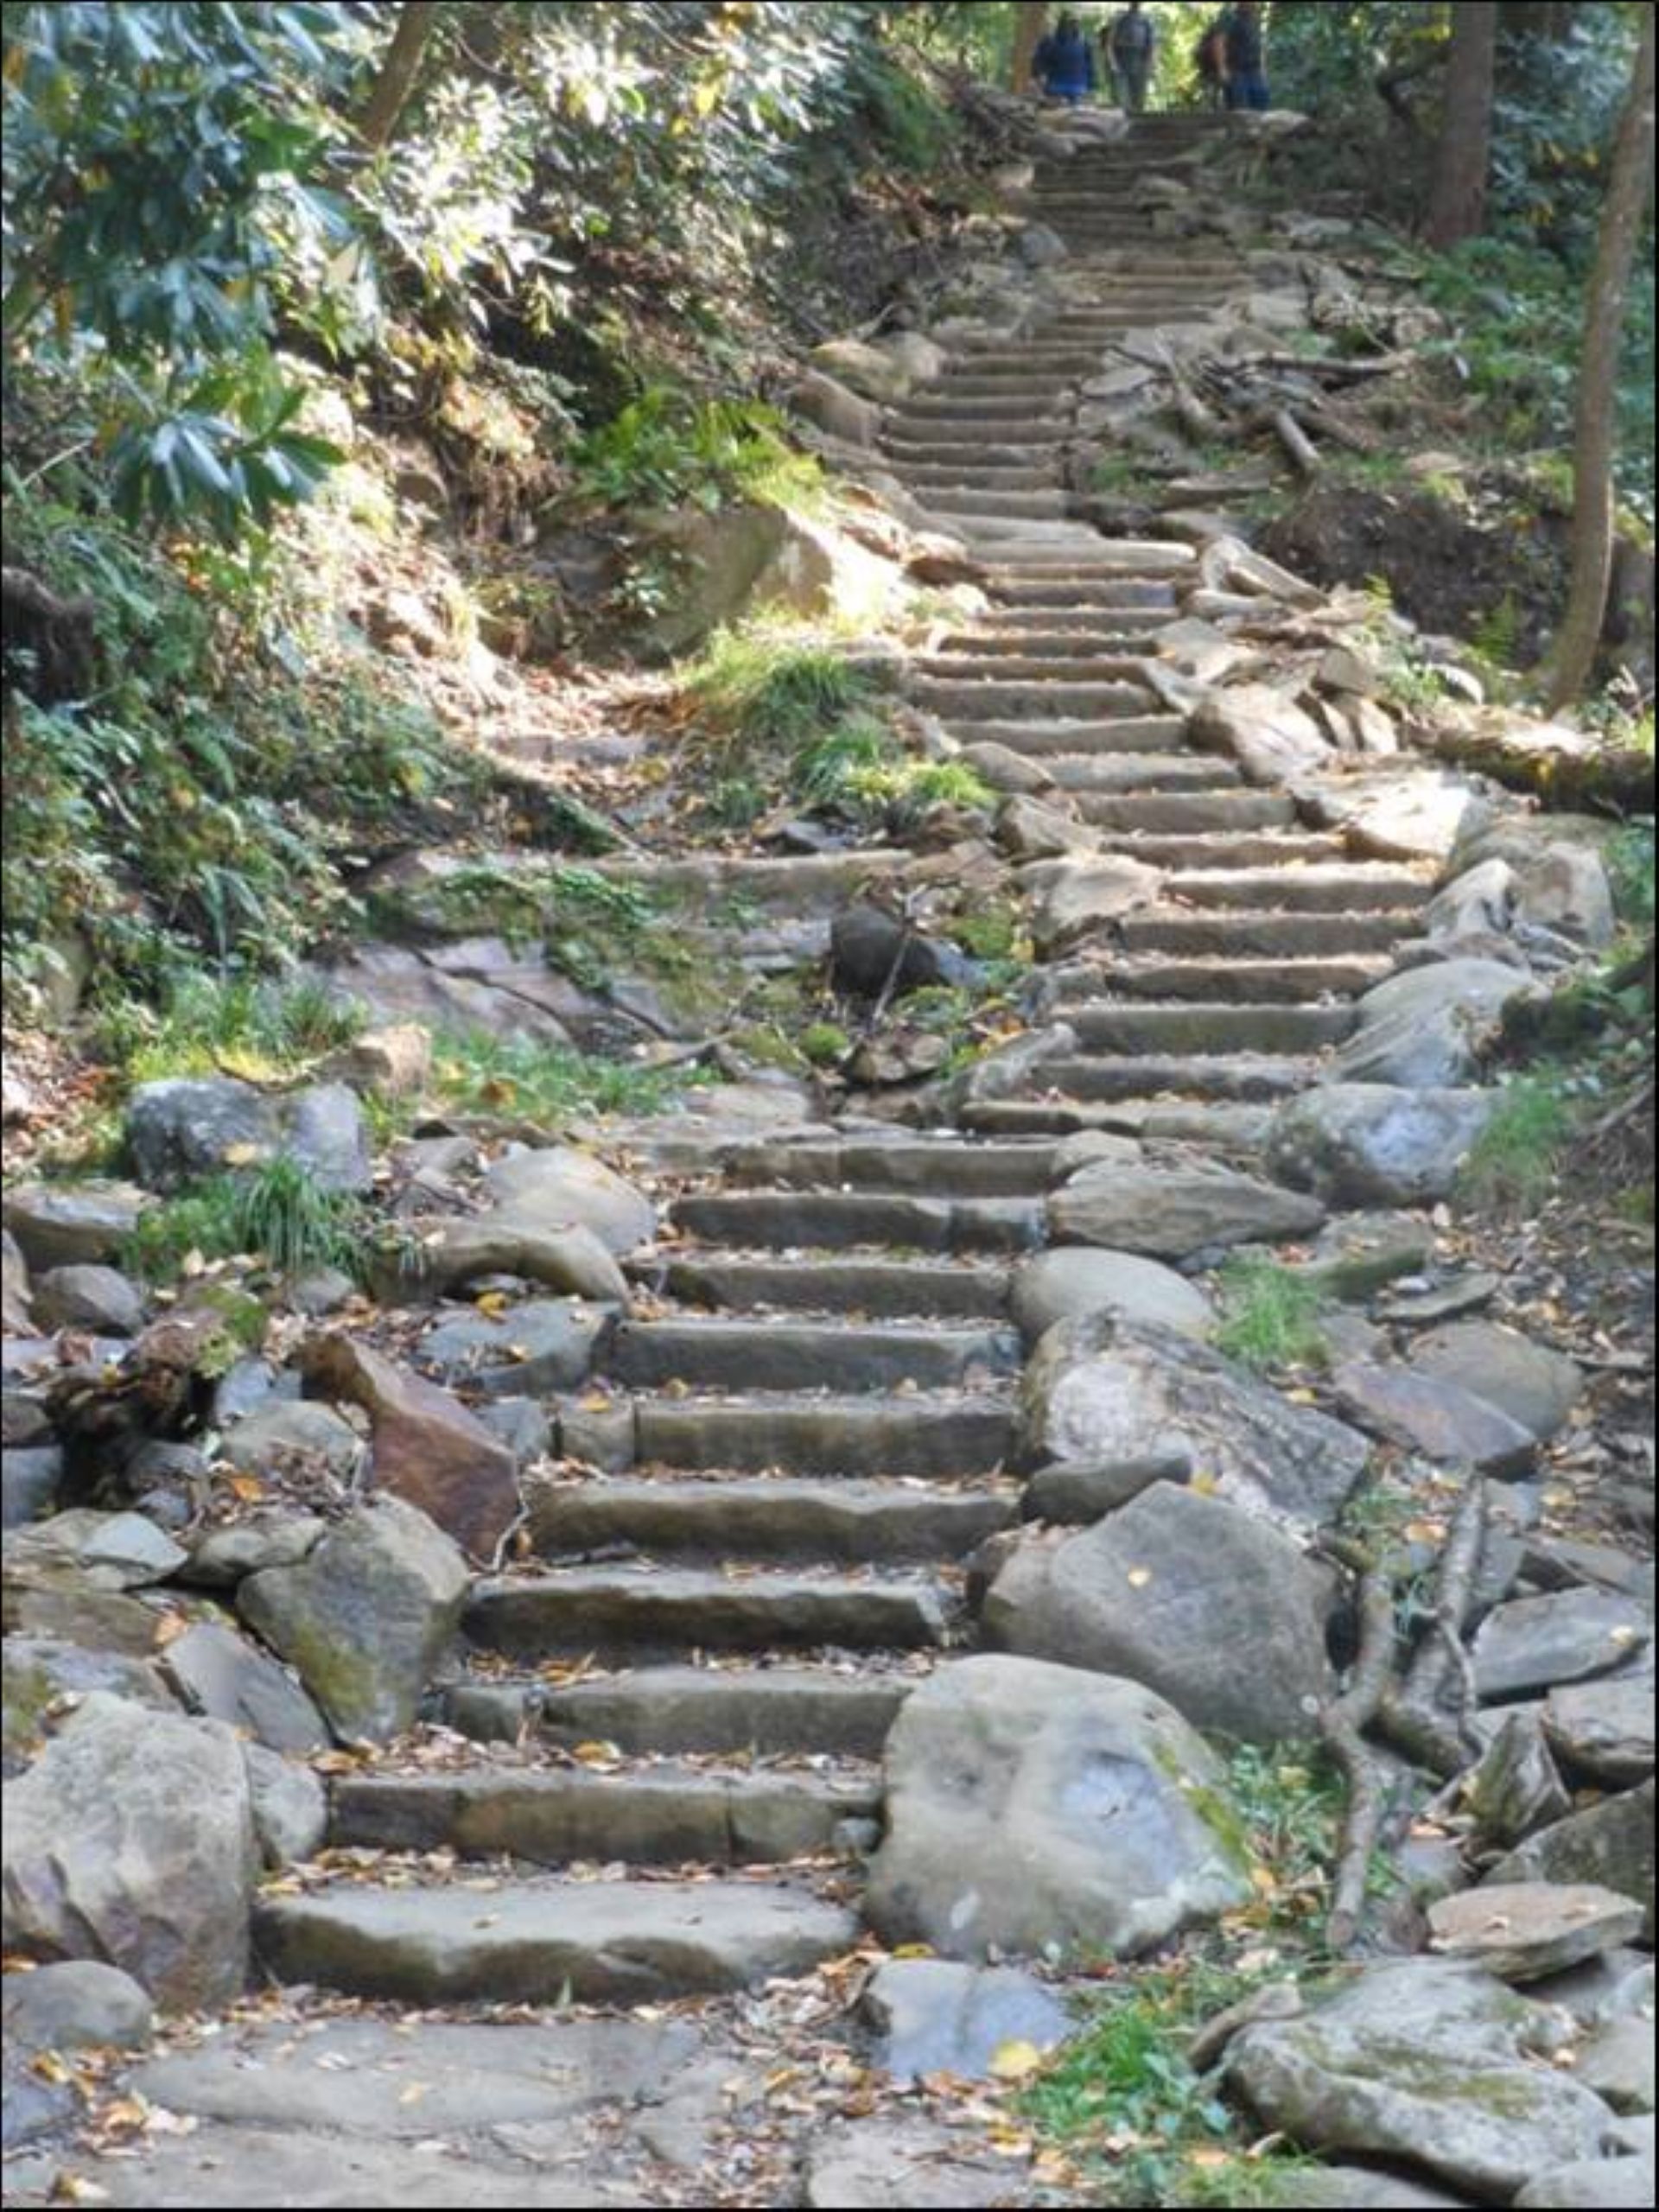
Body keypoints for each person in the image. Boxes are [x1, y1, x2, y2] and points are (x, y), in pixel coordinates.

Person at [1031, 12, 1096, 105]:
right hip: (1080, 88)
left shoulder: (1050, 41)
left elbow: (1039, 62)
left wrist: (1037, 77)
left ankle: (1058, 101)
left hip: (1056, 87)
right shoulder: (1084, 42)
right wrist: (1091, 88)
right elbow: (1090, 67)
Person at [1107, 3, 1157, 116]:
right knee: (1123, 98)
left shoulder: (1146, 22)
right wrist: (1113, 63)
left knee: (1139, 98)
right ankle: (1124, 118)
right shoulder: (1120, 20)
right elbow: (1110, 44)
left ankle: (1138, 121)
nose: (1136, 4)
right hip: (1122, 60)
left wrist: (1150, 64)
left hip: (1140, 61)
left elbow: (1152, 46)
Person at [1222, 0, 1271, 113]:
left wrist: (1263, 70)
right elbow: (1219, 42)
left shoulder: (1254, 20)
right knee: (1241, 110)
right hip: (1237, 71)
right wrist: (1222, 69)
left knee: (1261, 107)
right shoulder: (1229, 18)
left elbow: (1259, 46)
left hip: (1254, 71)